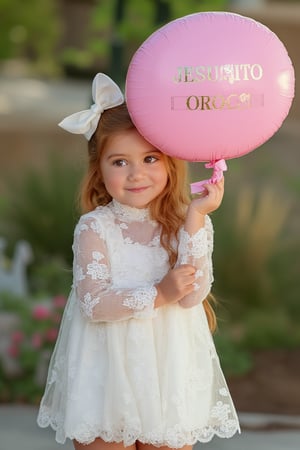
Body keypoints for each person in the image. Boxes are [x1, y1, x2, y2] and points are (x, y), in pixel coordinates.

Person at [37, 73, 240, 450]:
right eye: (119, 162)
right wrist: (159, 291)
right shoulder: (96, 227)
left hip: (168, 368)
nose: (136, 174)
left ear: (169, 162)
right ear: (99, 169)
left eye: (150, 158)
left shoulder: (187, 223)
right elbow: (94, 303)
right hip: (108, 369)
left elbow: (192, 297)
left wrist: (196, 216)